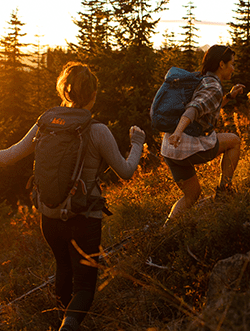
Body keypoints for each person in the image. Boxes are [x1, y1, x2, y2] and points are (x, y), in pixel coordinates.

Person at [0, 62, 145, 331]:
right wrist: (137, 142)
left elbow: (8, 156)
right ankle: (67, 327)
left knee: (63, 267)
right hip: (83, 218)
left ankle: (60, 322)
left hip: (49, 218)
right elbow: (126, 171)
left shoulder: (45, 123)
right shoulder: (97, 130)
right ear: (93, 95)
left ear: (65, 92)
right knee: (85, 286)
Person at [161, 45, 244, 223]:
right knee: (234, 141)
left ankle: (166, 229)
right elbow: (194, 109)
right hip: (186, 147)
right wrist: (178, 131)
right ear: (221, 64)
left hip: (170, 149)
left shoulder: (200, 80)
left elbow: (207, 106)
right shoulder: (213, 87)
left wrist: (229, 96)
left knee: (192, 195)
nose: (233, 68)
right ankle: (224, 192)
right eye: (232, 64)